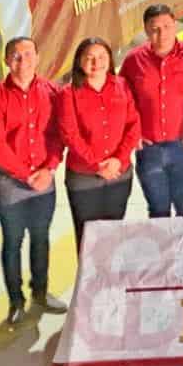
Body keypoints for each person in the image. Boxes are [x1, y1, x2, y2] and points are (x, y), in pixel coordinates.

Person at [0, 37, 68, 325]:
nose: (22, 60)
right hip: (10, 184)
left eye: (28, 54)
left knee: (41, 238)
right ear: (6, 61)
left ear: (38, 57)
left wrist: (50, 168)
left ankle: (40, 292)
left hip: (45, 178)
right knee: (13, 241)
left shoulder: (53, 92)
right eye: (15, 56)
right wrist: (27, 174)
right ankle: (15, 301)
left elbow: (58, 135)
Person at [121, 4, 183, 218]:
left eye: (167, 27)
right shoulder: (133, 61)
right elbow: (123, 101)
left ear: (175, 25)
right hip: (149, 149)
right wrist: (134, 134)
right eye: (155, 29)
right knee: (157, 209)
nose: (162, 34)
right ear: (145, 30)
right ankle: (163, 252)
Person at [56, 37, 139, 252]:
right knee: (87, 236)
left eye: (102, 57)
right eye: (89, 58)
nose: (96, 63)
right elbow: (70, 135)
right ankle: (90, 283)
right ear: (79, 62)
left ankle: (111, 280)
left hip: (118, 174)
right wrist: (97, 165)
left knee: (114, 232)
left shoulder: (121, 85)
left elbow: (133, 125)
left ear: (110, 59)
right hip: (84, 178)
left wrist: (118, 160)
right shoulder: (68, 93)